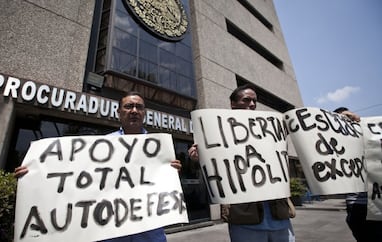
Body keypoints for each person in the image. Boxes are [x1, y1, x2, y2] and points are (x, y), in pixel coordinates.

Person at [15, 91, 182, 242]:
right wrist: (35, 174)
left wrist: (172, 171)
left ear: (144, 113)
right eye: (129, 106)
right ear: (119, 112)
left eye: (139, 107)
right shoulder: (102, 146)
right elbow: (72, 175)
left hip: (150, 232)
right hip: (111, 232)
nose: (134, 111)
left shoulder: (160, 148)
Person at [188, 84, 295, 242]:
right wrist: (199, 159)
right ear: (233, 103)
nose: (252, 104)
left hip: (280, 218)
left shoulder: (267, 129)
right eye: (246, 100)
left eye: (254, 101)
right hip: (245, 222)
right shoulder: (219, 133)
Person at [334, 107, 382, 242]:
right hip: (356, 206)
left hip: (376, 201)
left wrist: (357, 121)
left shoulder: (369, 136)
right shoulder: (339, 143)